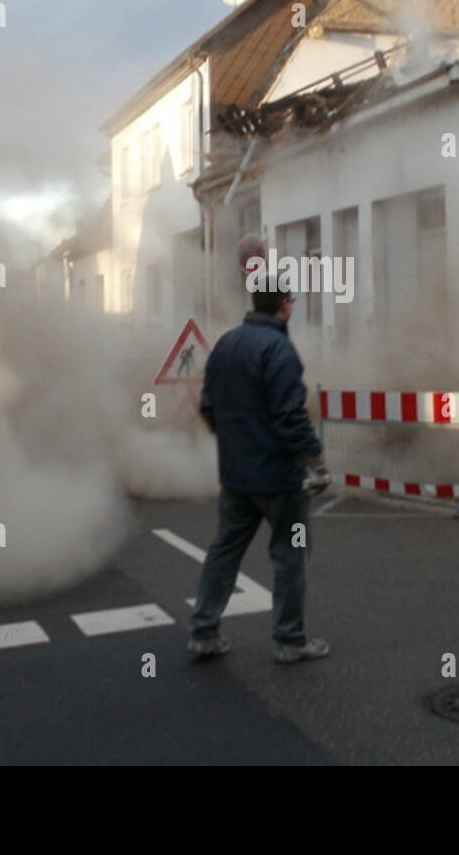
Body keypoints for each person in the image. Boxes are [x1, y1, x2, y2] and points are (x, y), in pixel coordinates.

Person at [189, 284, 331, 663]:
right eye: (292, 301)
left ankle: (204, 632)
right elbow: (290, 416)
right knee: (291, 553)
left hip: (236, 476)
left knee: (224, 550)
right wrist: (316, 457)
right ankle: (290, 640)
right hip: (280, 481)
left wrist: (237, 442)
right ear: (284, 305)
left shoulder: (225, 344)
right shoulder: (279, 350)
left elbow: (208, 405)